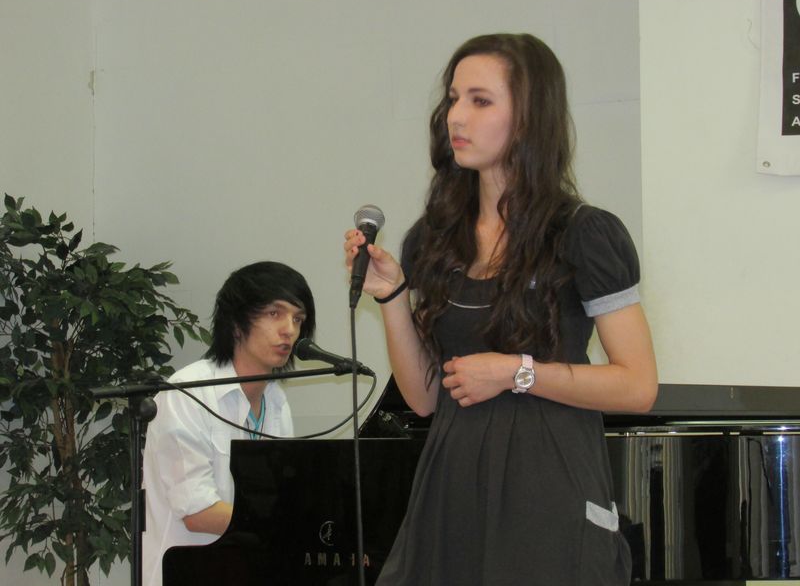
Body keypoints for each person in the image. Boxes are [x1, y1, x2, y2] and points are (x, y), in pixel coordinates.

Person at [344, 33, 657, 585]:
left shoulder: (583, 234)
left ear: (530, 117)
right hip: (453, 484)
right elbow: (424, 398)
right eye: (453, 99)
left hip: (548, 486)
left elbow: (638, 386)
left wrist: (518, 372)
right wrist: (391, 296)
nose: (456, 116)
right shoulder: (433, 238)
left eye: (480, 100)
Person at [141, 261, 315, 586]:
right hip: (187, 575)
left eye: (298, 319)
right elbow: (198, 512)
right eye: (274, 313)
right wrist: (292, 526)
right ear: (236, 323)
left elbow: (280, 496)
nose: (289, 330)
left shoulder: (277, 402)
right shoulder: (186, 393)